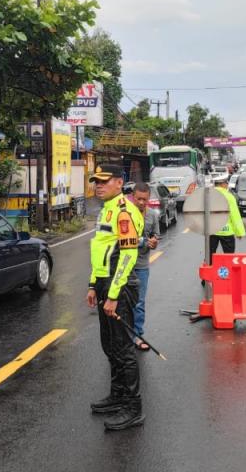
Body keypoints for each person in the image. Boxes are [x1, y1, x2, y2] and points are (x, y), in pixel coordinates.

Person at [86, 165, 145, 431]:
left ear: (119, 183)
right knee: (109, 345)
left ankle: (133, 408)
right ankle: (118, 396)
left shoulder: (124, 212)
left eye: (104, 181)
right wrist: (91, 285)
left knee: (123, 348)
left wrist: (112, 295)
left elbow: (128, 256)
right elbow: (102, 252)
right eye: (95, 182)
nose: (98, 185)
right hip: (104, 284)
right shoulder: (106, 209)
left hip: (119, 287)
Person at [128, 182, 159, 352]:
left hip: (141, 265)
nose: (141, 202)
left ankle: (138, 335)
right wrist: (141, 241)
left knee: (139, 303)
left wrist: (153, 242)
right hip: (123, 264)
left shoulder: (152, 215)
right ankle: (124, 336)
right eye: (138, 199)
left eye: (144, 200)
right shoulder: (125, 214)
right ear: (133, 197)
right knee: (121, 303)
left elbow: (156, 235)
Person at [210, 173, 245, 255]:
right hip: (227, 231)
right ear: (222, 184)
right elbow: (235, 216)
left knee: (210, 257)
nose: (227, 185)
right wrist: (239, 233)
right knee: (229, 257)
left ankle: (210, 267)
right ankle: (227, 267)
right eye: (226, 183)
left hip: (212, 231)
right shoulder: (229, 197)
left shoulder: (208, 195)